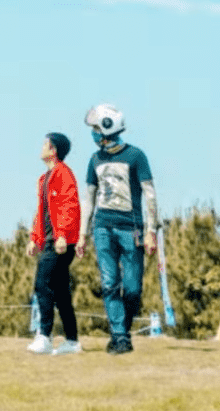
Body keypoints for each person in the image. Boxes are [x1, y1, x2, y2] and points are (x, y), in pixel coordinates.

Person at [78, 104, 158, 355]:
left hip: (131, 228)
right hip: (102, 227)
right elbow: (89, 199)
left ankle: (121, 331)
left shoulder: (136, 156)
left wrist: (151, 231)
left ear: (106, 128)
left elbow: (150, 194)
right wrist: (82, 234)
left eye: (94, 128)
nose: (92, 133)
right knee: (110, 282)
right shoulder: (94, 160)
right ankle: (121, 337)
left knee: (133, 287)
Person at [26, 133, 81, 355]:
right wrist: (34, 238)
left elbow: (69, 205)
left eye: (44, 144)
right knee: (60, 292)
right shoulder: (44, 178)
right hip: (50, 240)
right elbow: (42, 214)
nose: (41, 147)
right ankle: (72, 341)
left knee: (42, 284)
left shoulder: (63, 174)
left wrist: (62, 235)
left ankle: (44, 336)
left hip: (60, 242)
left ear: (54, 149)